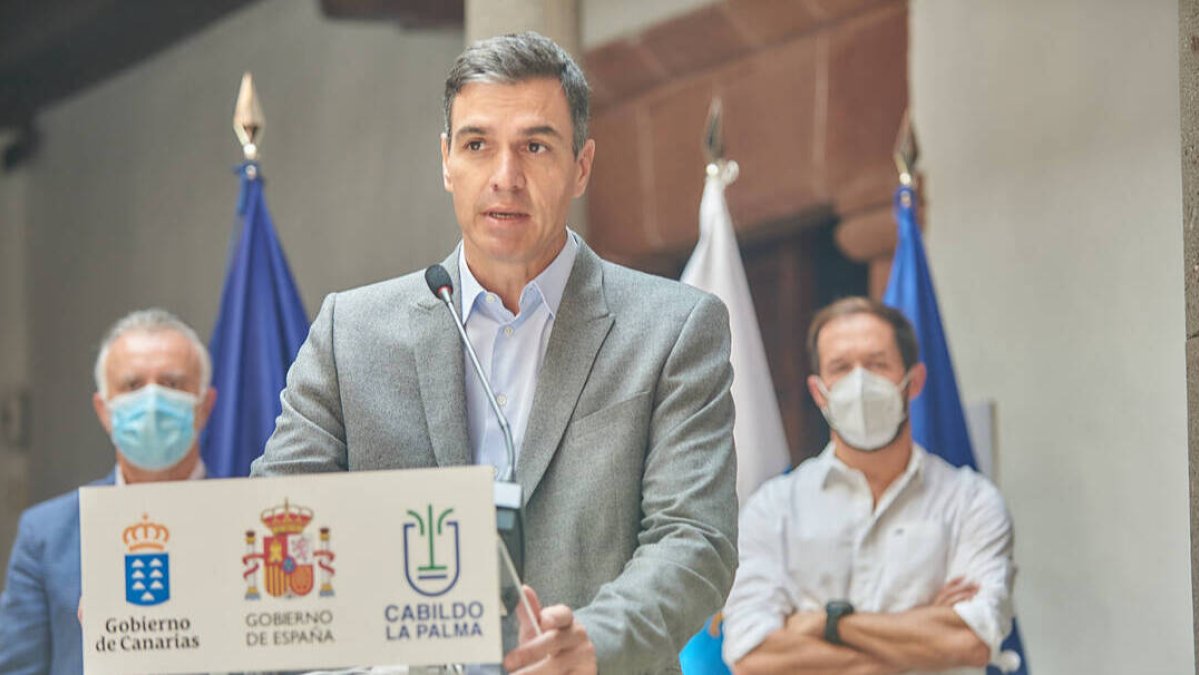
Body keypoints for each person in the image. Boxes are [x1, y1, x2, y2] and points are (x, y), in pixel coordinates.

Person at [249, 32, 737, 674]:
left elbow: (695, 540)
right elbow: (275, 525)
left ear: (581, 167)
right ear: (446, 161)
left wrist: (591, 641)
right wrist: (158, 613)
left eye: (535, 147)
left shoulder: (673, 328)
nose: (506, 177)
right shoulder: (352, 332)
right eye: (478, 145)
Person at [721, 297, 1015, 675]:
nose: (860, 383)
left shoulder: (972, 502)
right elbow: (754, 658)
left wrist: (824, 623)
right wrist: (925, 634)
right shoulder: (771, 509)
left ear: (915, 381)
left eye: (878, 364)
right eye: (841, 368)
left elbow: (971, 643)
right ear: (818, 391)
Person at [0, 308, 218, 675]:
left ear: (205, 406)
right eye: (133, 385)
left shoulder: (245, 524)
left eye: (172, 383)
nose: (152, 401)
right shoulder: (47, 535)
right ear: (104, 410)